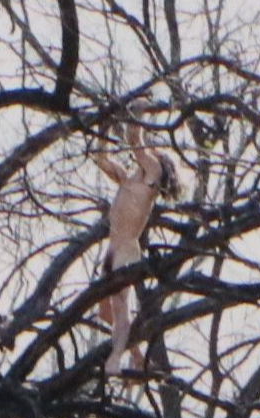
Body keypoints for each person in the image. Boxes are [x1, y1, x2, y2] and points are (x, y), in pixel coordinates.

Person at [91, 103, 179, 376]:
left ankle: (115, 359)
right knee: (105, 313)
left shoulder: (152, 175)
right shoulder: (129, 179)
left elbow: (134, 141)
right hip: (111, 250)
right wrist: (104, 125)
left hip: (127, 248)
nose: (147, 156)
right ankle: (137, 355)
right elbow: (101, 158)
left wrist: (139, 110)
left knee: (119, 309)